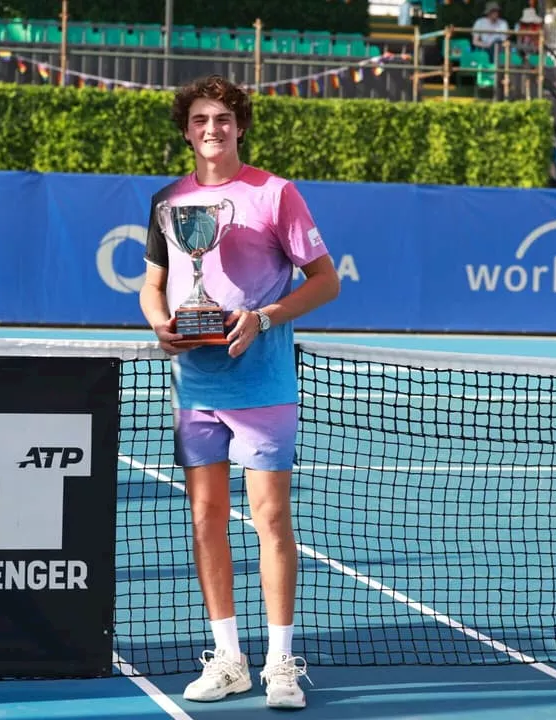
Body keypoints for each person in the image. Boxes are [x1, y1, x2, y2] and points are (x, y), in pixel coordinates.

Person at [138, 74, 341, 710]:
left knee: (272, 521)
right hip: (195, 389)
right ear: (186, 129)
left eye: (222, 119)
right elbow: (154, 284)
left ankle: (281, 664)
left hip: (265, 386)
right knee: (205, 523)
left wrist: (264, 316)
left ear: (240, 126)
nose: (211, 130)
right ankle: (229, 659)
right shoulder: (168, 202)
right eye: (200, 119)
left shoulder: (276, 194)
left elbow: (325, 281)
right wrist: (159, 325)